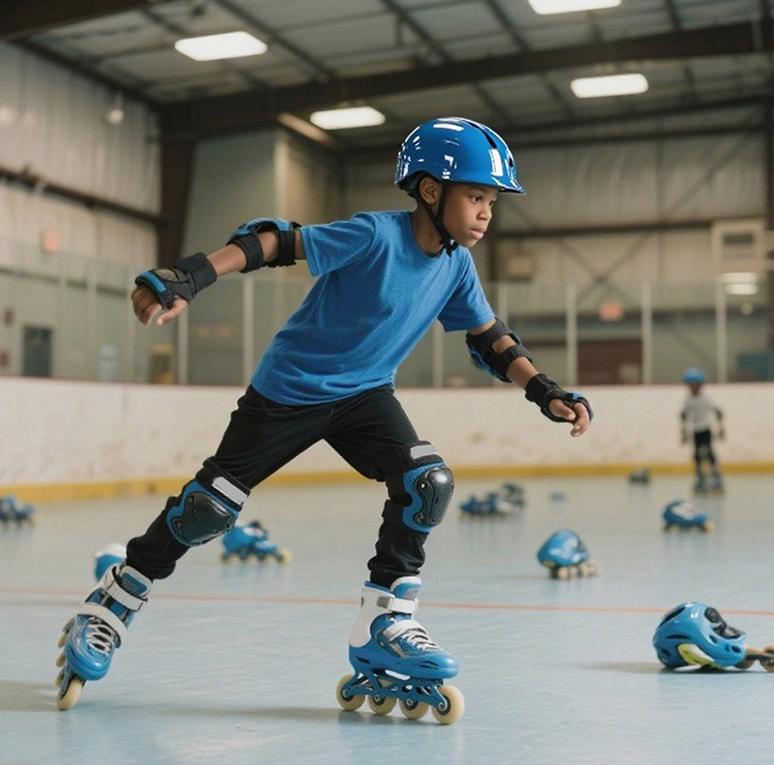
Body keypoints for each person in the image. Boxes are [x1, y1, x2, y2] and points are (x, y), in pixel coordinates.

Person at [55, 117, 593, 722]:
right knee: (209, 508)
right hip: (289, 390)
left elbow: (490, 338)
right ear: (430, 191)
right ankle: (112, 601)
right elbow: (277, 241)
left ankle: (385, 620)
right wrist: (194, 275)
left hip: (365, 396)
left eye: (492, 201)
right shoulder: (375, 235)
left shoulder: (456, 266)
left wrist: (543, 390)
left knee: (427, 483)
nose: (487, 212)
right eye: (475, 196)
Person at [680, 367, 724, 494]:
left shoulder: (705, 399)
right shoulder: (688, 400)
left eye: (695, 385)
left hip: (705, 429)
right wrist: (683, 432)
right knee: (697, 456)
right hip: (696, 431)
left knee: (709, 453)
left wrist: (721, 428)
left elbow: (718, 412)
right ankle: (700, 479)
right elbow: (684, 415)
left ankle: (717, 478)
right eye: (691, 385)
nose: (693, 388)